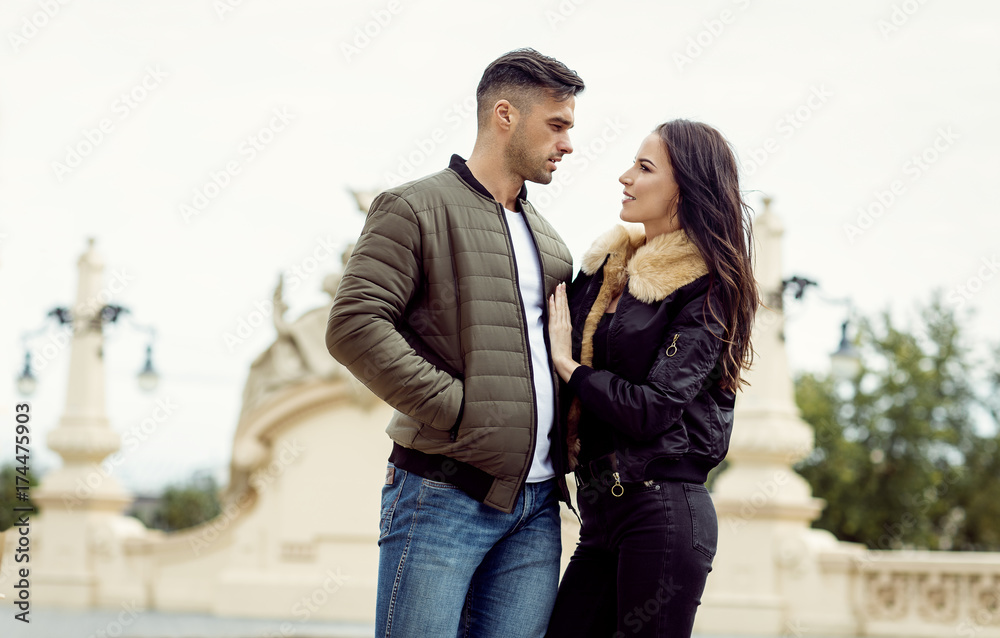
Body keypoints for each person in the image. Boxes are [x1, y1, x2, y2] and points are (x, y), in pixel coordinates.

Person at [326, 48, 585, 637]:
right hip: (439, 494)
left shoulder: (552, 245)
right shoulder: (413, 208)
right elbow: (355, 325)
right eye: (558, 125)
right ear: (505, 115)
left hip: (538, 509)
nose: (568, 143)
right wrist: (462, 410)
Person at [544, 119, 759, 638]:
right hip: (600, 513)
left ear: (683, 189)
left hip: (661, 511)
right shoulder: (606, 269)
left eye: (644, 168)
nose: (625, 178)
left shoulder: (707, 288)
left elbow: (653, 407)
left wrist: (570, 368)